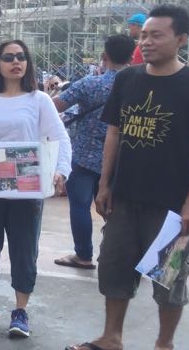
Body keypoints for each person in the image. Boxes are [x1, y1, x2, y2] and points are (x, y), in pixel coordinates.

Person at [66, 5, 189, 350]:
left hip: (172, 204)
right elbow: (114, 132)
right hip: (125, 196)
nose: (147, 42)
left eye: (156, 35)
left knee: (169, 276)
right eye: (144, 35)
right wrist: (105, 184)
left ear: (181, 39)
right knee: (113, 266)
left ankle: (164, 344)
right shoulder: (127, 79)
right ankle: (111, 337)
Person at [0, 39, 71, 337]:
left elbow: (61, 138)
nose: (16, 62)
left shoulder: (39, 100)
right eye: (9, 57)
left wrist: (61, 170)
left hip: (27, 191)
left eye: (21, 57)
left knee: (24, 249)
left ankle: (20, 310)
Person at [52, 34, 136, 270]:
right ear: (132, 56)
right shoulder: (138, 85)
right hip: (123, 159)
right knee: (119, 210)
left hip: (83, 156)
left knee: (80, 206)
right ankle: (119, 258)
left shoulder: (90, 84)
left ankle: (84, 255)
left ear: (104, 56)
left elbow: (54, 107)